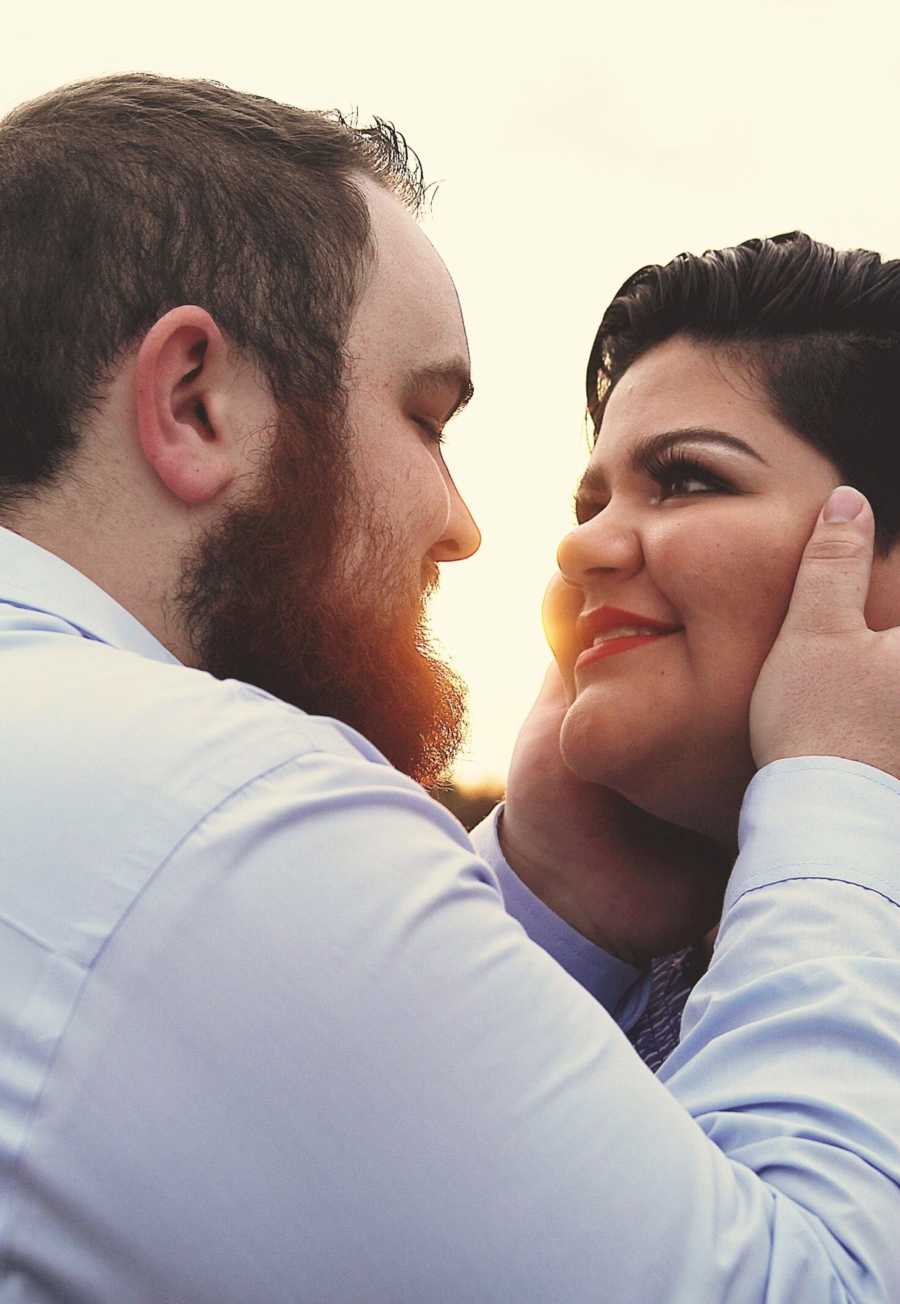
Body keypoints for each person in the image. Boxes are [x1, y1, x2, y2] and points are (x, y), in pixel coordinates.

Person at [0, 75, 898, 1304]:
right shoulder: (214, 817)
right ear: (195, 401)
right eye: (425, 420)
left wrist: (548, 896)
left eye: (684, 479)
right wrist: (836, 804)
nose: (490, 530)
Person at [485, 230, 900, 1067]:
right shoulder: (648, 973)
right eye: (589, 506)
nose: (579, 550)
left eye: (685, 480)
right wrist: (551, 898)